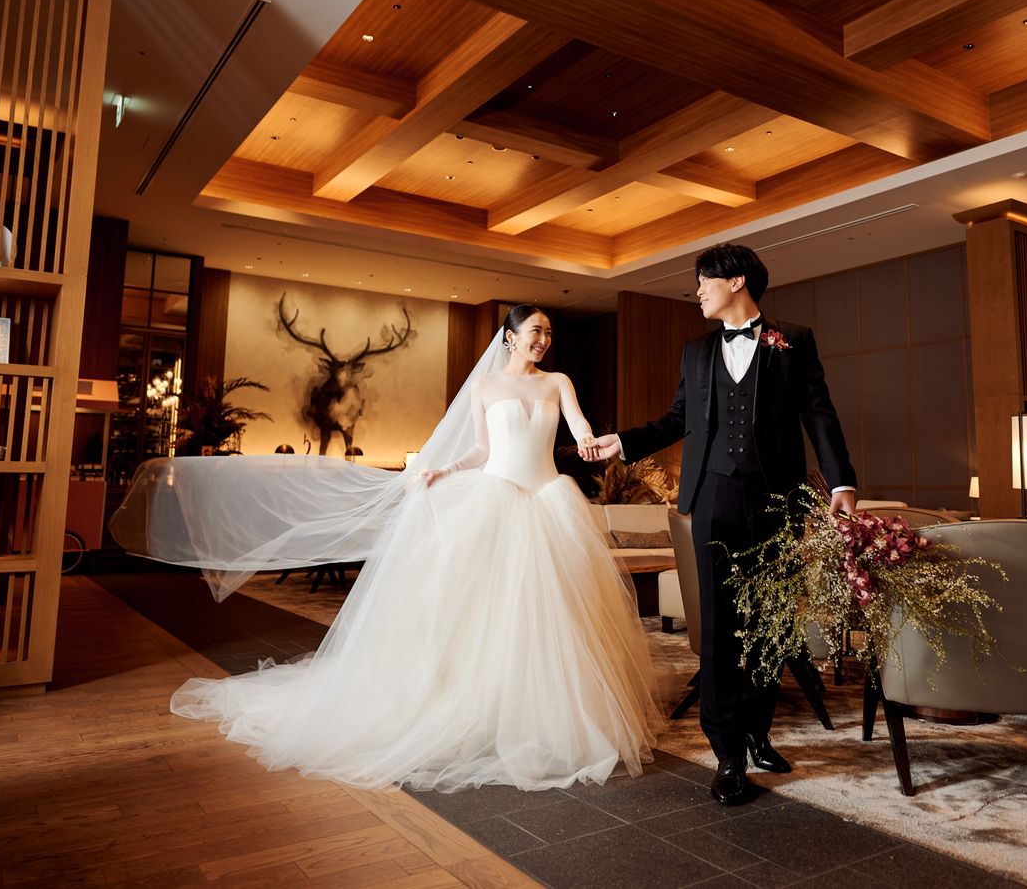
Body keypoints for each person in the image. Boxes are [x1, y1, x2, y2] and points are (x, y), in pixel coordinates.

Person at [115, 305, 662, 792]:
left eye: (548, 333)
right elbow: (481, 449)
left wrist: (591, 443)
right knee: (481, 614)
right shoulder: (485, 387)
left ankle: (548, 711)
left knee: (555, 615)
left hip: (547, 502)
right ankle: (478, 708)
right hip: (495, 499)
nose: (543, 340)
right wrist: (446, 469)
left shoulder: (558, 382)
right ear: (510, 337)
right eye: (535, 331)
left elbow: (579, 427)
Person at [585, 243, 857, 806]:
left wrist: (841, 484)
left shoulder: (793, 340)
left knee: (772, 621)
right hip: (712, 497)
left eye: (704, 281)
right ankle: (728, 751)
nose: (698, 292)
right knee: (719, 623)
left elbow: (819, 414)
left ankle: (758, 731)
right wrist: (624, 442)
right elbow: (678, 419)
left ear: (736, 281)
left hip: (776, 499)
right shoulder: (697, 351)